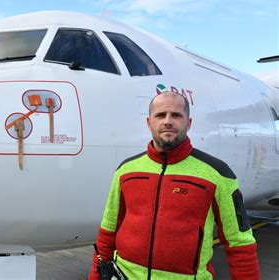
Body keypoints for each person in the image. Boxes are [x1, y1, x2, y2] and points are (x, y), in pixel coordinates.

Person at [89, 92, 260, 279]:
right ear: (149, 122)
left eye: (176, 115)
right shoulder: (125, 170)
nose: (168, 121)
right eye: (160, 115)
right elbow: (107, 233)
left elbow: (240, 244)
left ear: (189, 123)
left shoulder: (218, 173)